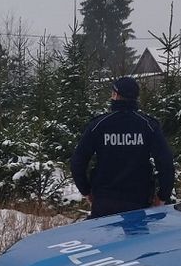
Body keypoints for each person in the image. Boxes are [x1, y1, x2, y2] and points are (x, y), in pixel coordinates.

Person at [71, 76, 175, 219]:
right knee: (136, 240)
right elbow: (166, 163)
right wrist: (163, 196)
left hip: (104, 200)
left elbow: (78, 162)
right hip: (139, 199)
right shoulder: (148, 125)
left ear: (116, 95)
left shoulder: (98, 125)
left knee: (104, 241)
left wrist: (86, 191)